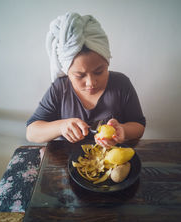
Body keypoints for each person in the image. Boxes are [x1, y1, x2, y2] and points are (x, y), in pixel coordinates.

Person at [26, 12, 145, 148]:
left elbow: (138, 125)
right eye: (79, 76)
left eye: (99, 72)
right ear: (67, 72)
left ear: (107, 63)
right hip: (66, 162)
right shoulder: (60, 88)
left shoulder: (121, 84)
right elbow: (31, 132)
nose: (91, 83)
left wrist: (123, 131)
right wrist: (60, 126)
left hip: (112, 162)